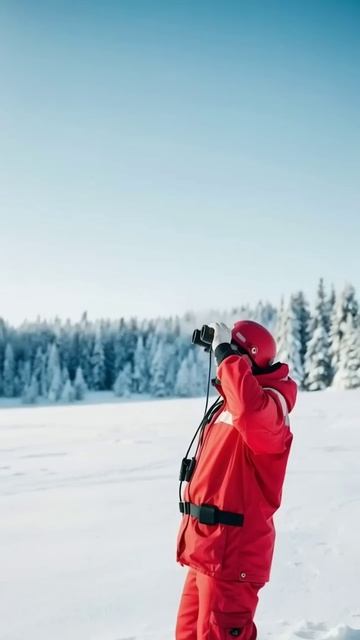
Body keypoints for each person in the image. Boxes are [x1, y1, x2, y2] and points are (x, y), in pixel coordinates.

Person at [175, 320, 298, 640]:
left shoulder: (271, 408)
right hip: (206, 550)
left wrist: (227, 356)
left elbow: (249, 411)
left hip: (232, 557)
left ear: (248, 360)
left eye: (230, 355)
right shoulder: (227, 405)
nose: (221, 362)